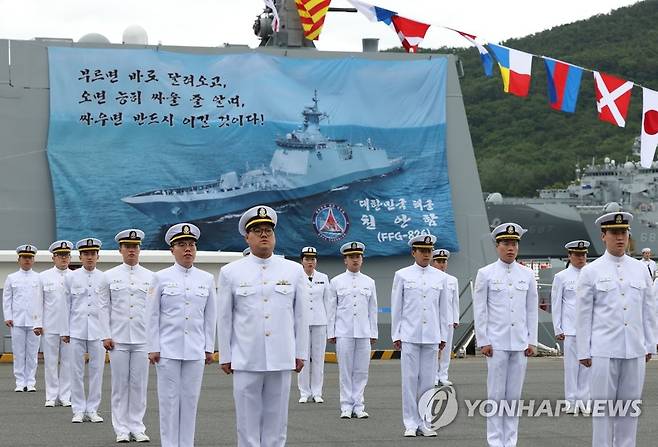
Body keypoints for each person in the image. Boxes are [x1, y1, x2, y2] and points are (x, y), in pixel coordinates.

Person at [218, 205, 307, 447]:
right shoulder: (230, 272)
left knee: (277, 421)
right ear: (247, 237)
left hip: (281, 356)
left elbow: (301, 317)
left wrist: (300, 353)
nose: (264, 234)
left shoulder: (294, 270)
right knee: (246, 421)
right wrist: (225, 355)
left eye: (268, 229)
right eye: (257, 230)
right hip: (246, 356)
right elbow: (225, 318)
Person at [577, 212, 656, 447]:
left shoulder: (640, 269)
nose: (620, 238)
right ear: (604, 236)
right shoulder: (591, 271)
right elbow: (583, 315)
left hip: (634, 348)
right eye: (614, 233)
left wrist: (650, 343)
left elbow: (648, 310)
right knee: (603, 411)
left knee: (629, 410)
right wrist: (583, 350)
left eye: (623, 232)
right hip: (603, 349)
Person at [148, 223, 216, 447]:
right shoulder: (160, 278)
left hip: (195, 349)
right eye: (182, 245)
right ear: (172, 250)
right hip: (167, 349)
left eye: (191, 245)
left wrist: (208, 347)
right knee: (168, 402)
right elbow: (152, 315)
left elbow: (209, 316)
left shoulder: (206, 279)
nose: (188, 249)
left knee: (190, 402)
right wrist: (153, 346)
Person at [473, 223, 538, 447]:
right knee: (496, 394)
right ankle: (494, 441)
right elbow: (480, 309)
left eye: (514, 244)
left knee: (514, 396)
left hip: (519, 342)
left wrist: (531, 340)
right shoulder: (486, 274)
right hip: (497, 342)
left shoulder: (527, 274)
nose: (510, 248)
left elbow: (531, 310)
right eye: (506, 244)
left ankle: (510, 441)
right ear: (497, 246)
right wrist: (483, 340)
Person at [391, 235, 447, 437]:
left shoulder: (440, 278)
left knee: (428, 381)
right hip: (410, 334)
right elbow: (397, 308)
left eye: (429, 251)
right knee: (409, 380)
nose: (426, 254)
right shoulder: (402, 275)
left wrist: (443, 335)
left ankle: (425, 422)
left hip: (432, 335)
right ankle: (410, 423)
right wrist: (396, 334)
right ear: (413, 252)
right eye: (422, 251)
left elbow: (443, 310)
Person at [101, 229, 153, 443]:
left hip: (143, 338)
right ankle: (121, 428)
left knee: (139, 384)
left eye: (135, 246)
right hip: (118, 338)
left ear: (139, 249)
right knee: (120, 385)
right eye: (128, 247)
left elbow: (154, 311)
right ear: (120, 250)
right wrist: (105, 334)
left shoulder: (151, 277)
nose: (132, 250)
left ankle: (137, 427)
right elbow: (103, 307)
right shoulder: (109, 276)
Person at [327, 241, 378, 419]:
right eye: (351, 257)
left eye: (358, 256)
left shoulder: (369, 282)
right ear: (345, 260)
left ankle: (359, 405)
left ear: (362, 259)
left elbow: (373, 309)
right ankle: (346, 406)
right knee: (346, 370)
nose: (355, 260)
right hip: (344, 331)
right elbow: (332, 309)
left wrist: (373, 332)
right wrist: (331, 332)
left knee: (362, 370)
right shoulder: (336, 282)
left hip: (363, 332)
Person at [61, 238, 108, 423]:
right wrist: (65, 330)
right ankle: (78, 409)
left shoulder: (104, 277)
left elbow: (108, 307)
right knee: (76, 370)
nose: (90, 257)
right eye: (86, 254)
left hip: (98, 331)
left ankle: (93, 409)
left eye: (93, 254)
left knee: (98, 371)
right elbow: (65, 305)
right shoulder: (70, 277)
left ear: (98, 256)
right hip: (76, 328)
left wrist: (107, 333)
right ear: (80, 256)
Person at [551, 240, 591, 415]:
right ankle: (571, 401)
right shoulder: (562, 277)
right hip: (571, 329)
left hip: (590, 329)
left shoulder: (592, 274)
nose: (580, 258)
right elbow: (556, 303)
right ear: (569, 256)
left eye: (583, 254)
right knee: (571, 367)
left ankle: (585, 400)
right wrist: (558, 328)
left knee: (588, 367)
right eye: (577, 254)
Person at [33, 240, 73, 406]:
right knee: (50, 361)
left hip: (70, 327)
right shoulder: (43, 277)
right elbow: (38, 301)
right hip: (49, 325)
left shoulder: (75, 276)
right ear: (53, 258)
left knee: (68, 362)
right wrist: (37, 323)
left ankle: (65, 396)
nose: (63, 258)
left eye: (66, 255)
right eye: (60, 255)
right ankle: (51, 396)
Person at [3, 244, 41, 392]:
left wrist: (41, 321)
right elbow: (7, 299)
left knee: (32, 353)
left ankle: (30, 382)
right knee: (18, 353)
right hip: (17, 321)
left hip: (34, 321)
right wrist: (8, 316)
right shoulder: (11, 278)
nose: (27, 260)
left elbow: (42, 301)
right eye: (24, 257)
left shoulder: (39, 278)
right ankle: (20, 382)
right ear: (19, 260)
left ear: (34, 260)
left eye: (30, 258)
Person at [297, 246, 330, 404]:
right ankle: (304, 392)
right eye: (307, 259)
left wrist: (330, 326)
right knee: (302, 357)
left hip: (319, 321)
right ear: (301, 261)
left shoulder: (323, 277)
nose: (310, 262)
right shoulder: (297, 277)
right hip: (302, 323)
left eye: (312, 259)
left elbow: (328, 302)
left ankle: (317, 391)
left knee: (318, 358)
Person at [432, 248, 460, 387]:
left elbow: (454, 301)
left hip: (448, 320)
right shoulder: (430, 278)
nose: (442, 264)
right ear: (433, 262)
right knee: (433, 350)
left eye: (444, 261)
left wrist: (456, 319)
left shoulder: (452, 280)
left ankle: (443, 375)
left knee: (446, 350)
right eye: (438, 261)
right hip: (434, 320)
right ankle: (433, 376)